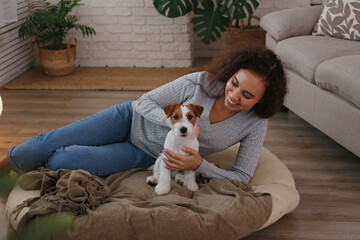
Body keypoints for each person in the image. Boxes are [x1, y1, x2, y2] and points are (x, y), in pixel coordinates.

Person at [0, 47, 287, 183]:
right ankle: (10, 163)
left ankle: (41, 164)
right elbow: (143, 102)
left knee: (63, 159)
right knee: (42, 144)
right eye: (234, 84)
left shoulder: (255, 124)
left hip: (149, 155)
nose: (234, 95)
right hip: (128, 118)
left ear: (263, 100)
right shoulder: (200, 82)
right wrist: (174, 124)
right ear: (231, 74)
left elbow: (241, 176)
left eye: (247, 95)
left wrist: (200, 164)